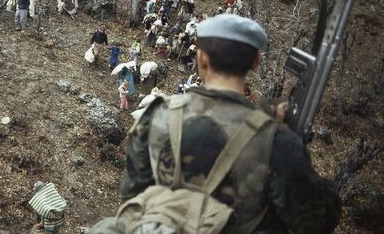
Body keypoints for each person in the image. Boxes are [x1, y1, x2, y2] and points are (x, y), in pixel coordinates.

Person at [111, 14, 341, 234]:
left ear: (201, 59)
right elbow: (315, 223)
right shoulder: (278, 142)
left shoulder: (157, 115)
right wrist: (294, 145)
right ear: (256, 61)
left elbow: (132, 193)